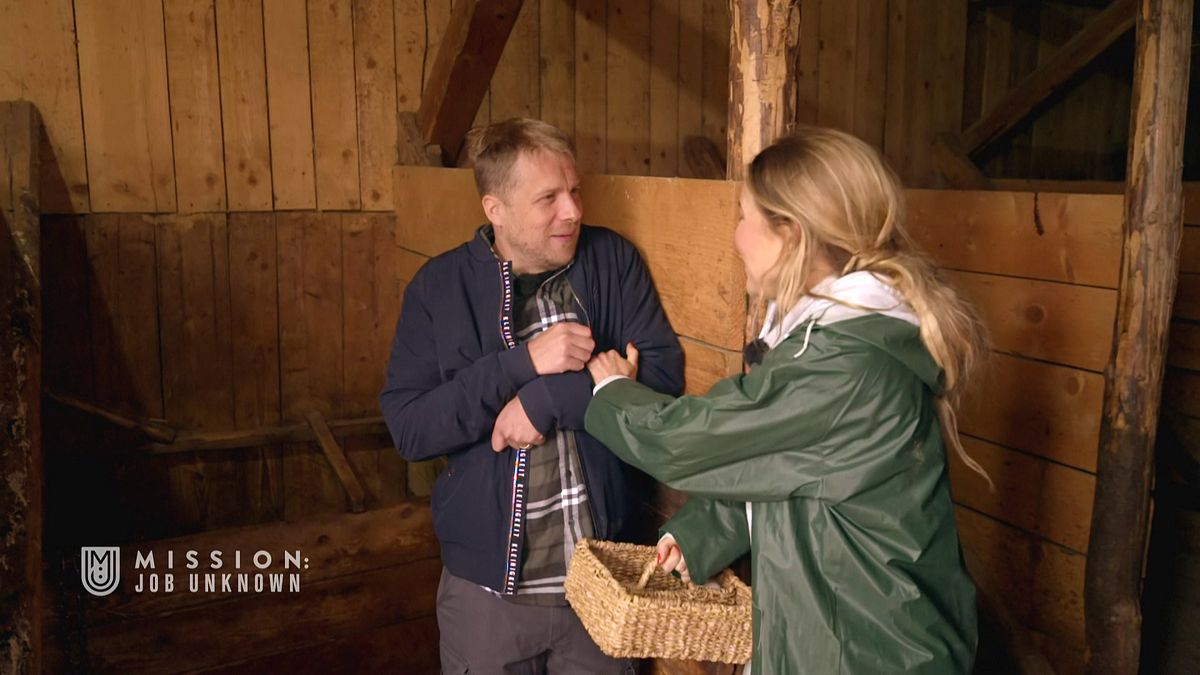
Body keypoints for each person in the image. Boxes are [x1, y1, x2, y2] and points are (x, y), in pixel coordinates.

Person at [584, 127, 987, 674]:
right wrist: (701, 531)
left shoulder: (845, 366)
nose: (737, 236)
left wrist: (612, 391)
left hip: (870, 652)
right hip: (840, 634)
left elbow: (689, 442)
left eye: (745, 218)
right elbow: (793, 471)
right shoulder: (832, 341)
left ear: (791, 235)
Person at [380, 117, 683, 674]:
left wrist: (546, 400)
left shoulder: (612, 262)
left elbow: (660, 378)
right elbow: (412, 429)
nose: (572, 211)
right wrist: (522, 363)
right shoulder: (438, 289)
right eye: (549, 198)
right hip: (487, 601)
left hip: (602, 591)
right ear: (495, 210)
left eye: (575, 191)